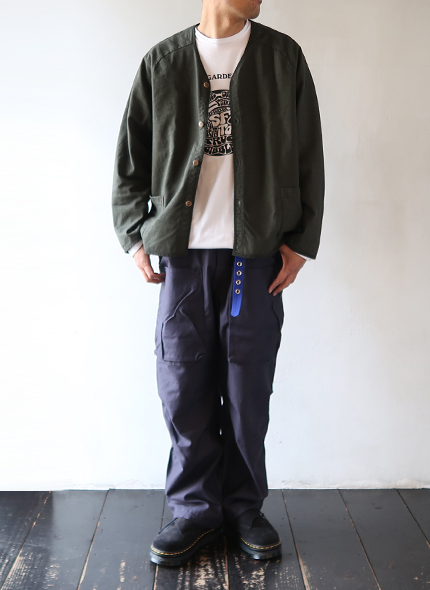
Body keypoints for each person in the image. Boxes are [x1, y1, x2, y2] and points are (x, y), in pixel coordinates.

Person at [112, 0, 324, 567]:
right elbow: (130, 159)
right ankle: (194, 512)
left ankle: (244, 509)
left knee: (248, 389)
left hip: (256, 255)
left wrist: (301, 240)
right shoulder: (162, 63)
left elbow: (309, 153)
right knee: (183, 387)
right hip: (183, 258)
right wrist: (134, 236)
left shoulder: (283, 58)